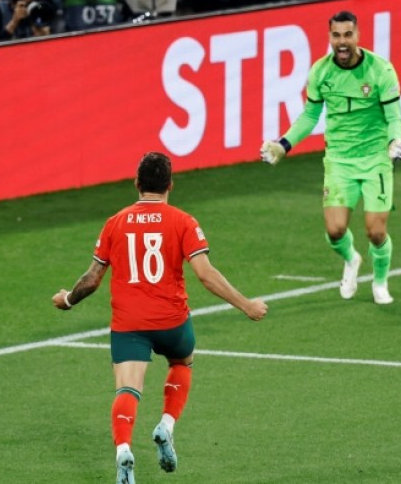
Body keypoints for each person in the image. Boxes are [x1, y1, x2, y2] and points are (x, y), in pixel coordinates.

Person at [51, 151, 268, 484]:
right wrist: (245, 304)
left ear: (137, 184)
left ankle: (124, 450)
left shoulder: (116, 222)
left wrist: (67, 299)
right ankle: (166, 425)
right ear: (170, 185)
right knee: (182, 362)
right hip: (172, 322)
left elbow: (93, 278)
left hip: (128, 325)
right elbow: (206, 275)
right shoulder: (183, 221)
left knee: (128, 388)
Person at [260, 10, 401, 305]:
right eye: (336, 35)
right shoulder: (320, 72)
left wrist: (396, 140)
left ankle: (380, 282)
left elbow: (394, 117)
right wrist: (283, 145)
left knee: (376, 232)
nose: (342, 42)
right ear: (330, 37)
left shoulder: (381, 70)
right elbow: (310, 115)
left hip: (375, 159)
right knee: (335, 229)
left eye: (348, 35)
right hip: (339, 160)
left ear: (358, 35)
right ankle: (351, 259)